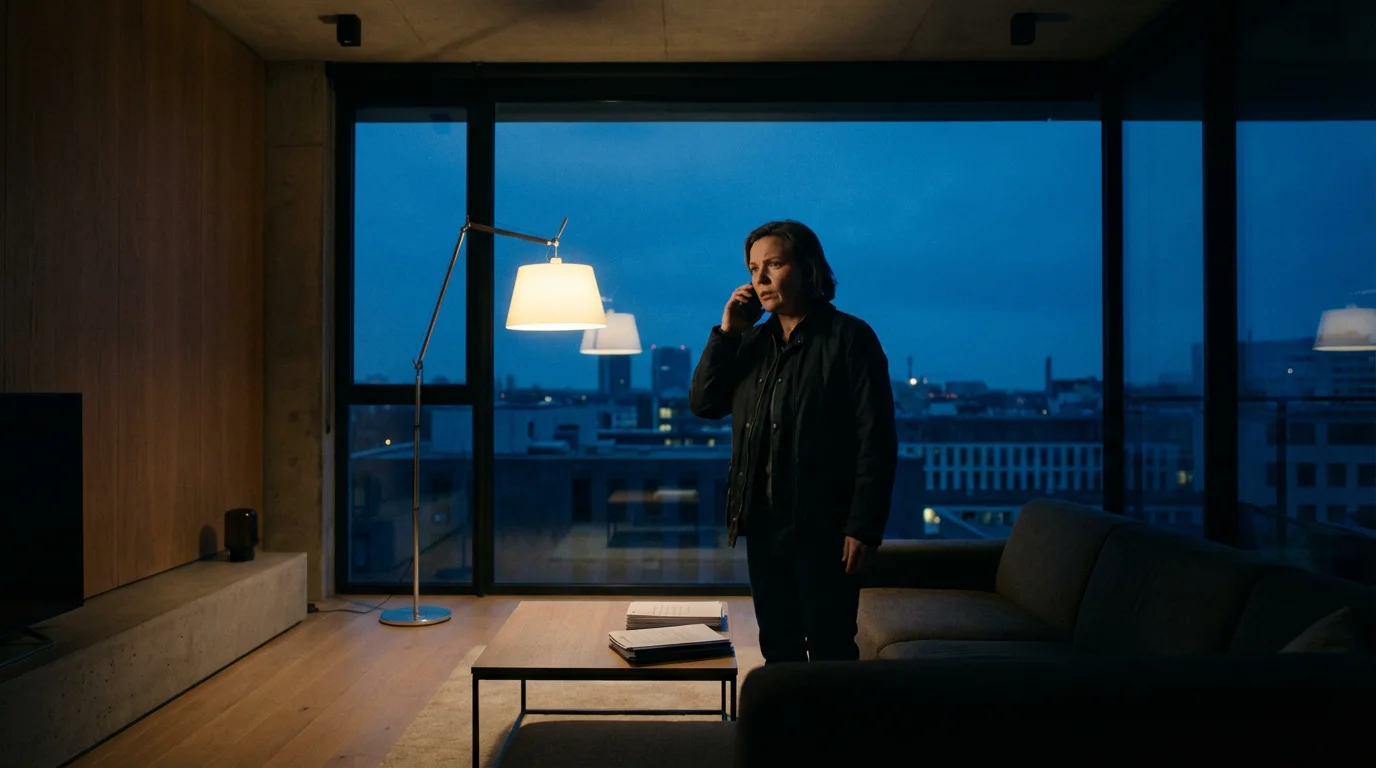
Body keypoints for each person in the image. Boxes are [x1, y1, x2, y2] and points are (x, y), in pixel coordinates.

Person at [689, 219, 898, 663]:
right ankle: (786, 733)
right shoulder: (752, 342)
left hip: (824, 527)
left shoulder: (849, 338)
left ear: (808, 268)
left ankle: (836, 734)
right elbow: (705, 403)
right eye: (752, 268)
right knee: (777, 646)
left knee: (831, 647)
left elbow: (875, 439)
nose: (759, 279)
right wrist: (728, 332)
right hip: (763, 524)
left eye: (774, 264)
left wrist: (863, 527)